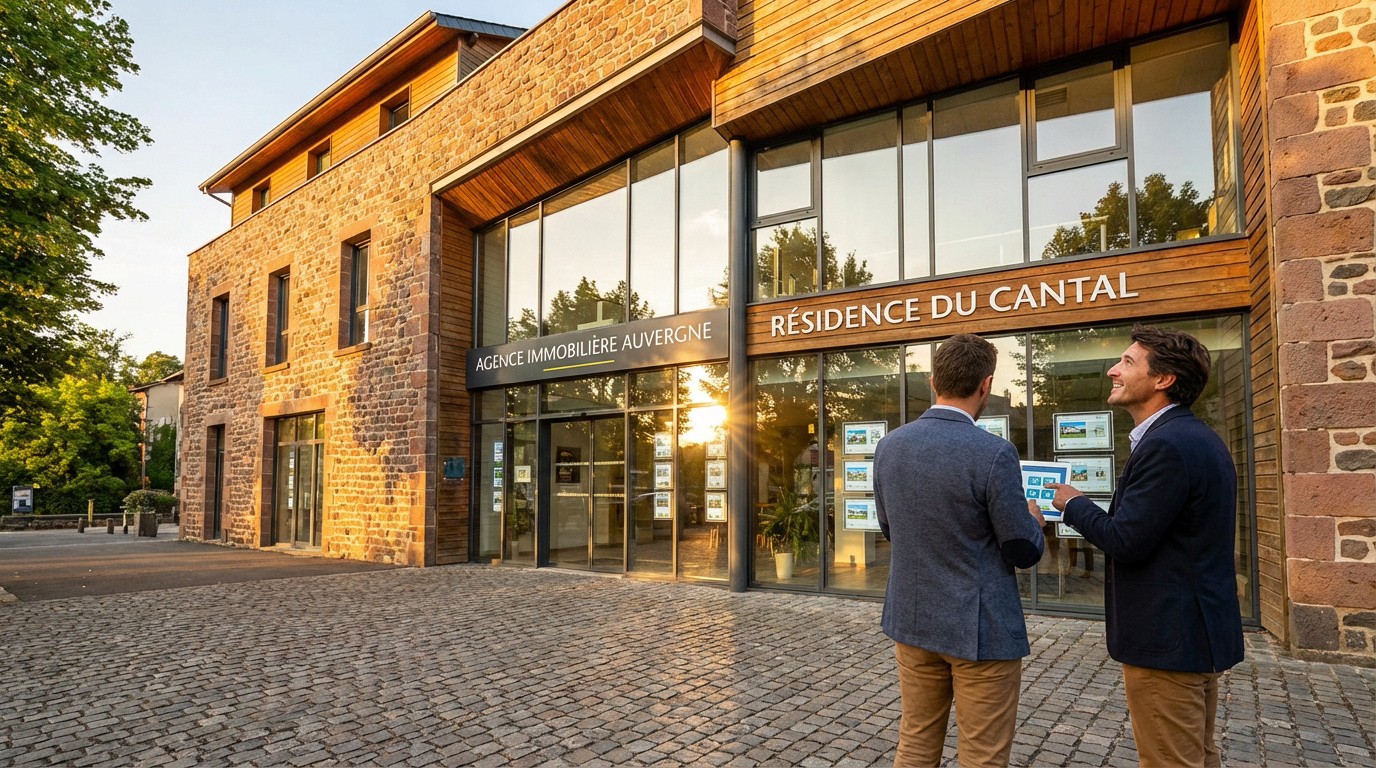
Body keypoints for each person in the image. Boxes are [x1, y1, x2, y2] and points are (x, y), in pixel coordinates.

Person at [1048, 325, 1244, 768]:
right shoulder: (1192, 437)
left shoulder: (1168, 446)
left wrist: (1074, 503)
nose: (1114, 370)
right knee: (1197, 756)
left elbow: (1126, 540)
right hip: (1191, 636)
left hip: (1167, 642)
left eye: (1128, 362)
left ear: (1163, 380)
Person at [875, 333, 1045, 767]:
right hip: (980, 630)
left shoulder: (888, 446)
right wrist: (1034, 520)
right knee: (982, 755)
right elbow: (1022, 549)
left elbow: (890, 528)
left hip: (913, 621)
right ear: (985, 385)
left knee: (914, 741)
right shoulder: (994, 452)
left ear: (934, 381)